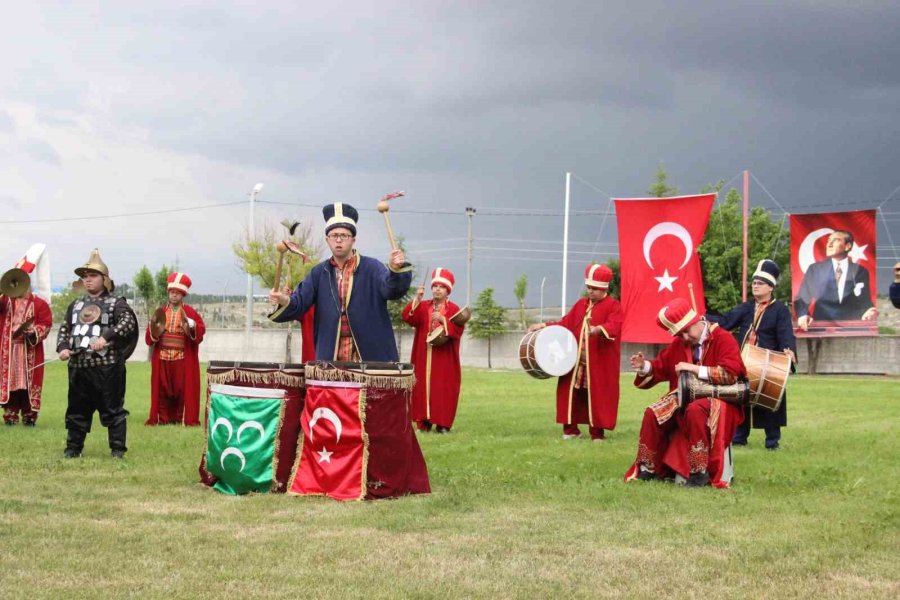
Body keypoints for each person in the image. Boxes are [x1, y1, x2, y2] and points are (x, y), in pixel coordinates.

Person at [624, 298, 746, 487]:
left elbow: (730, 374)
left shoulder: (723, 338)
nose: (685, 338)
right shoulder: (680, 343)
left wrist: (694, 369)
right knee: (653, 413)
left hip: (721, 399)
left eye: (686, 332)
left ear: (695, 321)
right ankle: (649, 468)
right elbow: (662, 366)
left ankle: (699, 472)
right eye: (680, 335)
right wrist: (644, 367)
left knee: (695, 410)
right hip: (686, 397)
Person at [268, 202, 412, 361]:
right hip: (331, 357)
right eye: (334, 235)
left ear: (353, 240)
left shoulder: (372, 268)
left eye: (344, 235)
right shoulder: (318, 273)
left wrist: (395, 269)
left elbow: (392, 290)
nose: (338, 240)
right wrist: (283, 299)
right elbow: (300, 302)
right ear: (327, 240)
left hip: (370, 356)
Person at [56, 249, 138, 458]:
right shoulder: (75, 305)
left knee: (113, 410)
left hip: (108, 368)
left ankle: (117, 450)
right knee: (77, 410)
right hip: (79, 368)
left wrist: (106, 337)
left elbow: (128, 323)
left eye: (92, 275)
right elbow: (66, 328)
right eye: (85, 276)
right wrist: (63, 347)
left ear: (104, 279)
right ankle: (73, 449)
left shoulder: (116, 304)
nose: (87, 280)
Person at [707, 260, 797, 450]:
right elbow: (726, 321)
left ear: (771, 287)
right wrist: (702, 318)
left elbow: (785, 332)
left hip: (768, 362)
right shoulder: (747, 307)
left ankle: (772, 441)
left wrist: (788, 348)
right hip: (744, 361)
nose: (755, 285)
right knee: (740, 397)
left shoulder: (780, 309)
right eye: (754, 282)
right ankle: (739, 437)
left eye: (760, 283)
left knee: (772, 398)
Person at [527, 264, 623, 441]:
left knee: (596, 395)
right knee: (571, 393)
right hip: (575, 361)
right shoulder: (581, 304)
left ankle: (596, 434)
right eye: (589, 287)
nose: (591, 291)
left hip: (599, 363)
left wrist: (599, 329)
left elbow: (614, 325)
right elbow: (566, 324)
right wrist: (543, 326)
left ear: (604, 288)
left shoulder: (613, 306)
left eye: (595, 288)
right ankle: (570, 430)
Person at [403, 268, 465, 433]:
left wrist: (443, 319)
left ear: (447, 290)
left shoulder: (453, 309)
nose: (437, 289)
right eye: (435, 286)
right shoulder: (423, 307)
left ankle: (443, 424)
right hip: (423, 354)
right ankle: (424, 421)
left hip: (444, 357)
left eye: (441, 286)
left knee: (443, 388)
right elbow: (408, 317)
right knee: (422, 387)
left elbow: (458, 330)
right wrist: (417, 298)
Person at [145, 272, 206, 426]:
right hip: (163, 356)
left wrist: (191, 326)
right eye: (172, 292)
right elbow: (150, 334)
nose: (174, 296)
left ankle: (181, 418)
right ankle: (162, 418)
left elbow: (200, 329)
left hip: (182, 357)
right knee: (163, 389)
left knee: (181, 389)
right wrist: (154, 330)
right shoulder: (161, 311)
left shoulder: (190, 312)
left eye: (177, 293)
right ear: (168, 293)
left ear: (182, 295)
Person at [0, 251, 53, 426]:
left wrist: (33, 331)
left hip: (29, 349)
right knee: (10, 383)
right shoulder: (5, 301)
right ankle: (10, 415)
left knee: (29, 383)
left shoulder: (40, 303)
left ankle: (30, 416)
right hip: (9, 350)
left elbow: (46, 324)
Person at [794, 229, 877, 330]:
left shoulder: (860, 271)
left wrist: (870, 310)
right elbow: (802, 297)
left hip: (852, 330)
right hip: (821, 330)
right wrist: (803, 314)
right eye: (829, 240)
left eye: (836, 240)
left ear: (847, 246)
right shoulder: (815, 269)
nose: (829, 244)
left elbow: (864, 300)